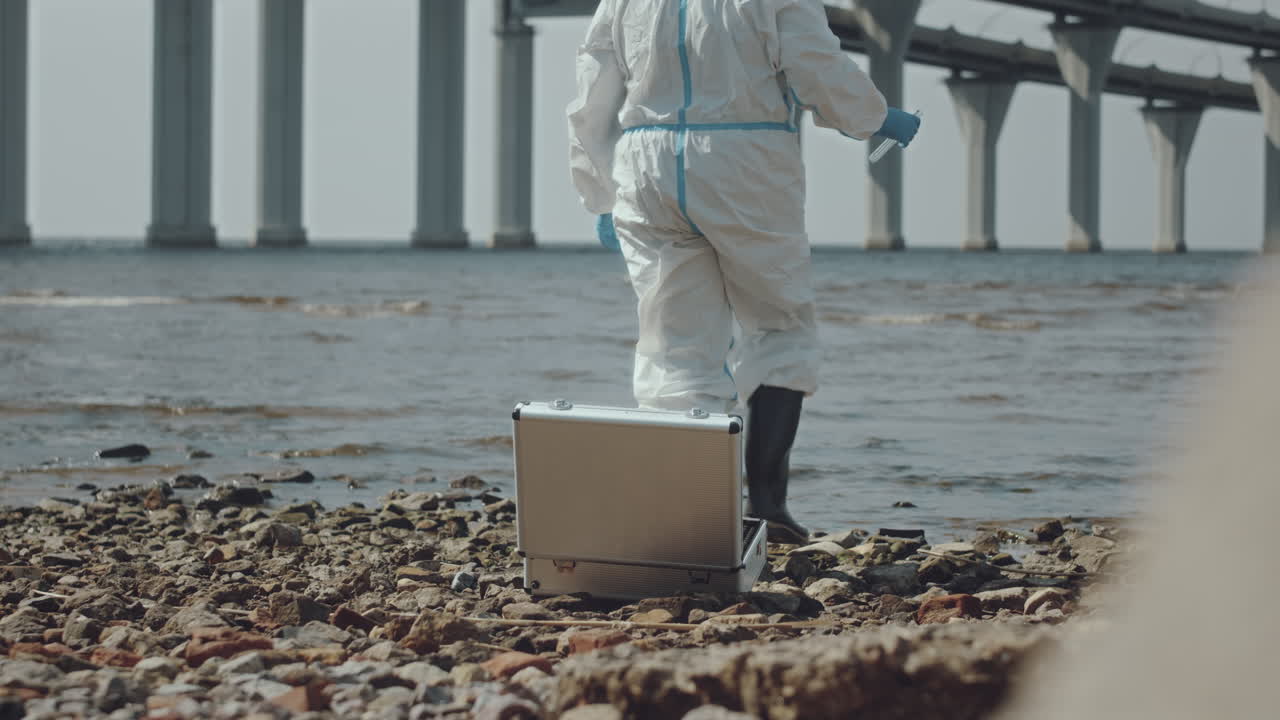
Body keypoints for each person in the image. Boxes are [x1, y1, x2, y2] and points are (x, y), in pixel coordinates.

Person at [567, 0, 920, 544]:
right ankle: (768, 507)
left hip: (646, 166)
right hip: (744, 161)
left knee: (674, 346)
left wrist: (600, 194)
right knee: (779, 328)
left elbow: (593, 91)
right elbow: (815, 65)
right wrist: (876, 118)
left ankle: (690, 513)